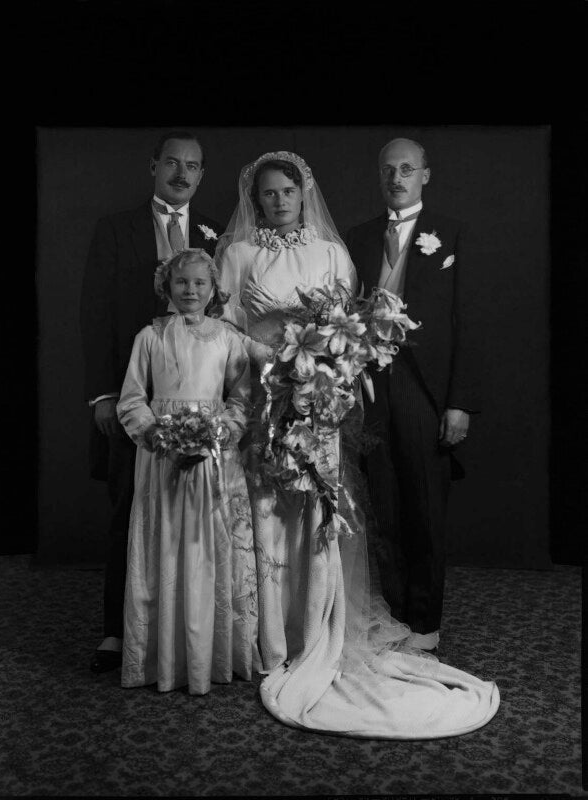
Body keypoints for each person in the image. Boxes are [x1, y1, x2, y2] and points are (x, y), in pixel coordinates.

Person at [216, 150, 498, 738]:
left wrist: (308, 355)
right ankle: (267, 630)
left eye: (287, 191)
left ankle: (341, 620)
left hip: (325, 396)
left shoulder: (333, 250)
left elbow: (349, 324)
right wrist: (264, 351)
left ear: (304, 193)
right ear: (255, 200)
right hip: (263, 397)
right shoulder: (240, 253)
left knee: (342, 509)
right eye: (268, 193)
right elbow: (224, 330)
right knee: (269, 512)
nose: (279, 201)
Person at [80, 131, 224, 673]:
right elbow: (95, 313)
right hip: (134, 397)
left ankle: (187, 632)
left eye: (192, 166)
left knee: (195, 522)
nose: (181, 174)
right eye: (172, 163)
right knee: (130, 511)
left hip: (200, 401)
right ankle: (118, 633)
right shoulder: (115, 229)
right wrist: (104, 394)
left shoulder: (217, 233)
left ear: (202, 174)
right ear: (154, 167)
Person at [346, 138, 481, 653]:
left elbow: (469, 322)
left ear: (425, 175)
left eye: (407, 169)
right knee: (384, 506)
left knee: (424, 507)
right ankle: (395, 617)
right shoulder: (357, 237)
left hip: (425, 390)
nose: (396, 178)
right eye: (388, 169)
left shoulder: (453, 234)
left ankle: (424, 626)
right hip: (369, 388)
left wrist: (459, 402)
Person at [116, 249, 258, 694]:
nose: (190, 291)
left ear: (213, 289)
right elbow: (132, 399)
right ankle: (163, 658)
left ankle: (214, 656)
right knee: (166, 545)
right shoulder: (150, 336)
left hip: (214, 459)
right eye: (181, 282)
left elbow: (241, 397)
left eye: (200, 283)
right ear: (167, 286)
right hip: (163, 458)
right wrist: (158, 436)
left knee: (208, 547)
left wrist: (222, 432)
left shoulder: (228, 338)